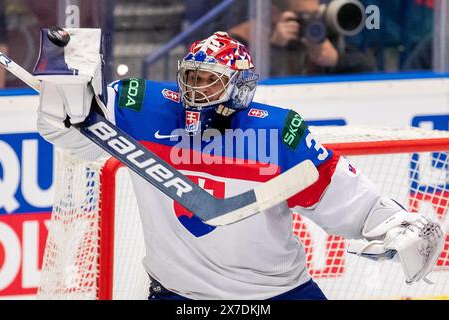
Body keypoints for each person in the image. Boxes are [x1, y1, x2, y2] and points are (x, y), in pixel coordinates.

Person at [35, 29, 444, 300]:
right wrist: (62, 77)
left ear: (240, 86)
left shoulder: (277, 133)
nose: (194, 91)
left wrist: (396, 224)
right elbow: (71, 132)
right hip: (181, 296)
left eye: (208, 80)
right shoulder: (144, 109)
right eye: (190, 78)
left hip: (276, 293)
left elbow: (350, 202)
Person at [228, 0, 375, 76]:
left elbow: (370, 67)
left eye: (315, 15)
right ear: (274, 13)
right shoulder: (248, 36)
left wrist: (336, 59)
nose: (310, 23)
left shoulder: (322, 34)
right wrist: (274, 47)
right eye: (303, 16)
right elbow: (232, 80)